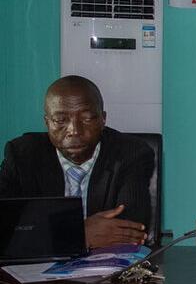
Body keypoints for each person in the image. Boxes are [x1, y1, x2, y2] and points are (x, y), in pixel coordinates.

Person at [0, 75, 151, 248]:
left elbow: (130, 230)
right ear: (47, 123)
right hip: (39, 263)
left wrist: (44, 232)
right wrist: (79, 233)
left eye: (87, 118)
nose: (74, 130)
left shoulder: (131, 153)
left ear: (103, 119)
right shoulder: (22, 155)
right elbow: (5, 228)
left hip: (105, 263)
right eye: (60, 120)